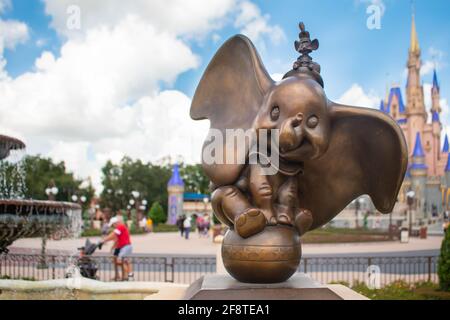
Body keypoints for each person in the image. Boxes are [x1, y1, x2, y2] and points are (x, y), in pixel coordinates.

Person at [99, 216, 134, 281]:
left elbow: (113, 235)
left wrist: (103, 241)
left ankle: (128, 276)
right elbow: (115, 239)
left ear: (116, 223)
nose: (113, 226)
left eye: (113, 224)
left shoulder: (120, 227)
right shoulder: (121, 228)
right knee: (125, 261)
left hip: (126, 247)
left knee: (120, 260)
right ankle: (128, 276)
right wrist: (111, 247)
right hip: (125, 247)